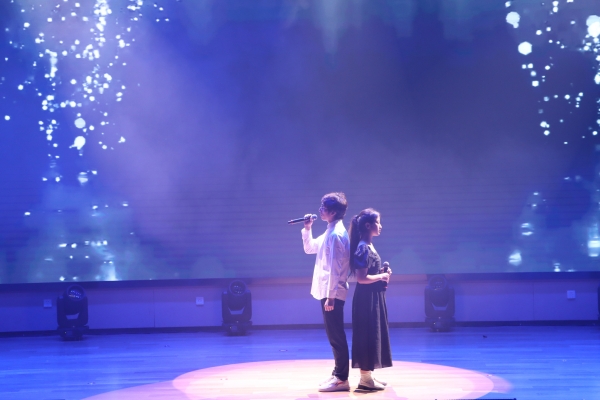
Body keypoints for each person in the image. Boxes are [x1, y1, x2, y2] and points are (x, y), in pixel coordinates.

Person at [301, 192, 351, 392]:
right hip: (328, 292)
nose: (320, 210)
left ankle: (341, 378)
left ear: (334, 212)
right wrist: (307, 229)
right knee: (333, 335)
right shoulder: (330, 231)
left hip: (333, 294)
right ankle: (338, 373)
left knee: (336, 335)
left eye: (324, 208)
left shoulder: (336, 234)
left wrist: (331, 297)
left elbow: (335, 269)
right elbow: (310, 248)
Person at [349, 208, 392, 391]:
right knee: (366, 335)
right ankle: (365, 379)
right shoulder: (363, 247)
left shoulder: (368, 245)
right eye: (378, 222)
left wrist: (381, 273)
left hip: (372, 297)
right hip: (366, 299)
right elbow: (361, 278)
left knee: (373, 334)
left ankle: (368, 376)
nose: (380, 226)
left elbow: (369, 273)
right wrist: (381, 276)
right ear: (368, 225)